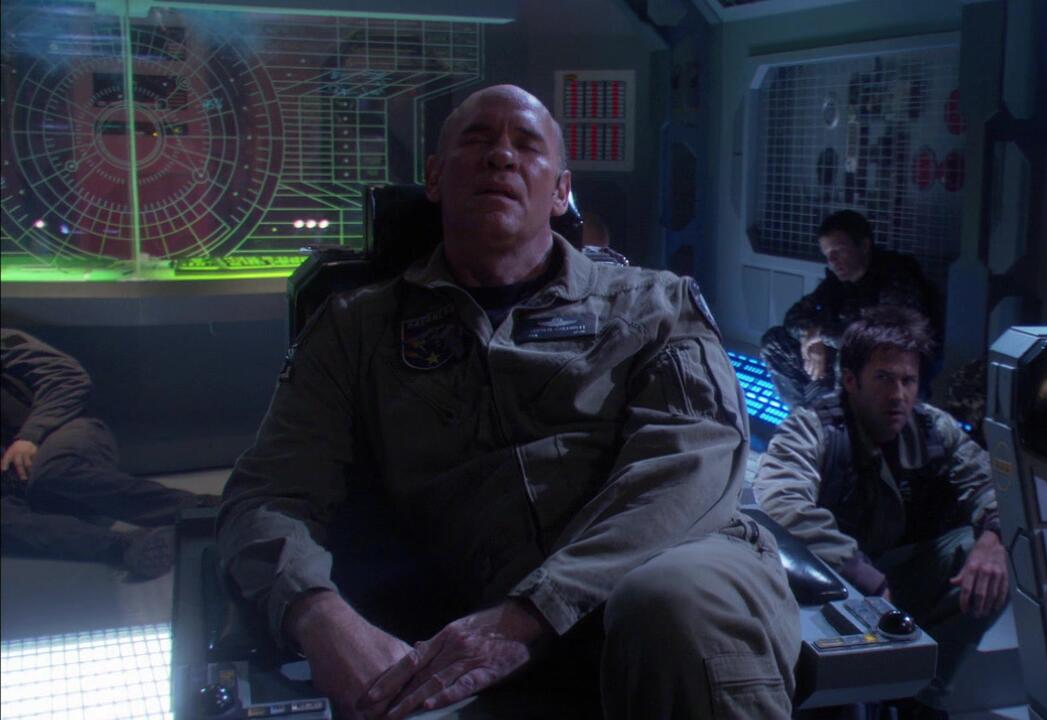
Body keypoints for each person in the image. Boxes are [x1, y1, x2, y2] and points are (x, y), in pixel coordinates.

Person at [216, 84, 799, 720]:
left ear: (560, 192)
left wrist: (532, 614)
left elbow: (688, 469)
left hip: (664, 565)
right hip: (464, 613)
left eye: (527, 145)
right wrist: (315, 612)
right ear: (435, 178)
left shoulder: (656, 303)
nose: (501, 155)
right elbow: (267, 496)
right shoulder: (356, 329)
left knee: (672, 601)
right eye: (477, 141)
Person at [753, 305, 1006, 709]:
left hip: (897, 573)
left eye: (908, 380)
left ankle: (922, 690)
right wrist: (861, 574)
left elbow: (992, 487)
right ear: (850, 381)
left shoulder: (932, 429)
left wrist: (994, 538)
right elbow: (782, 502)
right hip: (834, 581)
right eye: (884, 378)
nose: (898, 395)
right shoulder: (812, 427)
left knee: (993, 553)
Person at [1, 328, 218, 578]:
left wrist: (30, 435)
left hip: (58, 431)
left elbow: (67, 377)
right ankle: (125, 548)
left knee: (54, 471)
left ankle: (201, 509)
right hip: (22, 486)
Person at [759, 210, 942, 408]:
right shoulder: (837, 282)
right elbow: (794, 316)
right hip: (845, 365)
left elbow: (882, 339)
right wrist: (809, 336)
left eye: (839, 250)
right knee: (774, 341)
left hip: (890, 372)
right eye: (827, 254)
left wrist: (821, 335)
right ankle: (806, 413)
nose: (832, 260)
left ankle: (839, 416)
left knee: (851, 355)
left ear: (864, 246)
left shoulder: (895, 278)